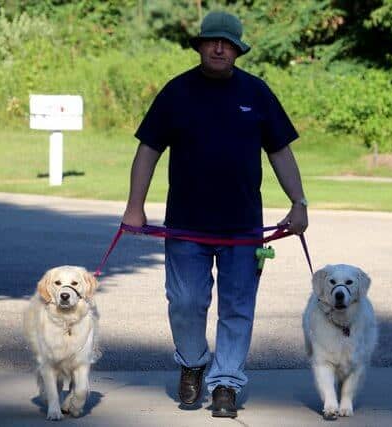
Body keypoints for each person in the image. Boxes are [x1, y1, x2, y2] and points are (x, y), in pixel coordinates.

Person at [122, 10, 308, 419]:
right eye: (212, 41)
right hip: (187, 224)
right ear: (201, 45)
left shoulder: (256, 93)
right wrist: (135, 206)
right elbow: (148, 150)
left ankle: (226, 382)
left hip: (243, 227)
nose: (219, 47)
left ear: (238, 50)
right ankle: (192, 363)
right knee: (186, 301)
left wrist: (299, 203)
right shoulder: (176, 93)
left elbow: (280, 151)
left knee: (237, 306)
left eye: (227, 43)